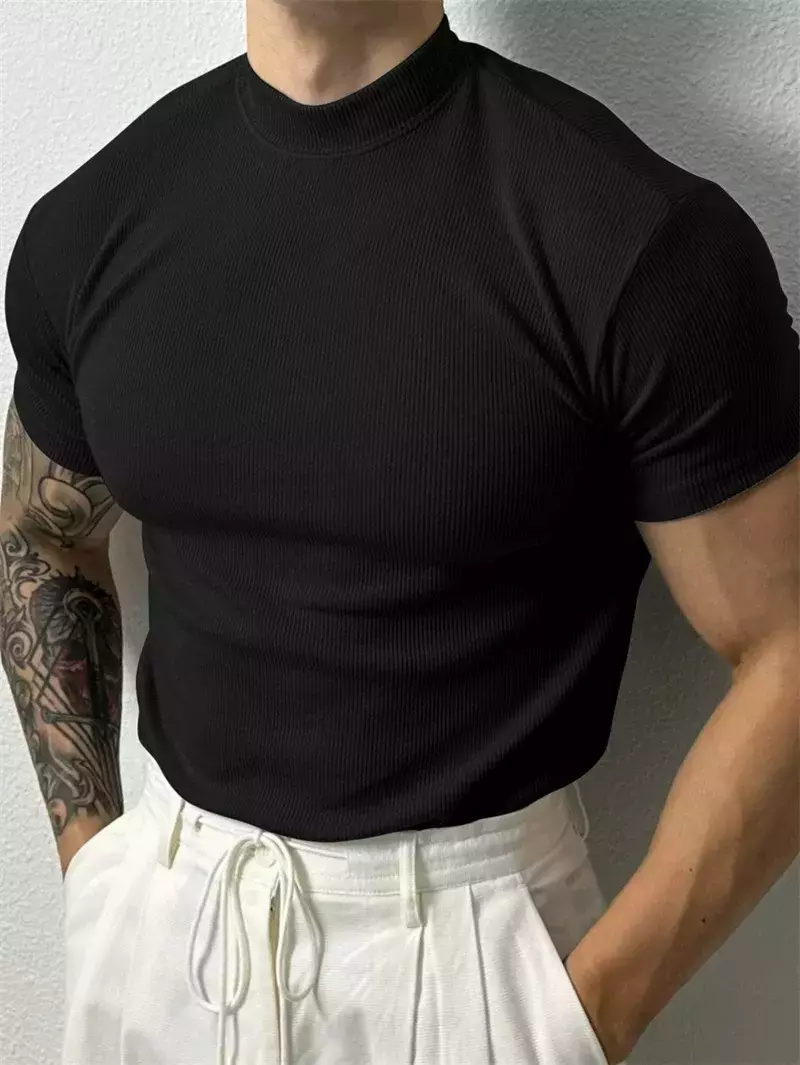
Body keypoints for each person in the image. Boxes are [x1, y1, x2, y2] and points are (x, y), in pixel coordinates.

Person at [2, 1, 798, 1062]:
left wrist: (586, 1012)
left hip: (474, 965)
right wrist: (97, 871)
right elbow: (39, 533)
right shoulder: (96, 218)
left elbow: (788, 643)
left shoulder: (634, 236)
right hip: (163, 934)